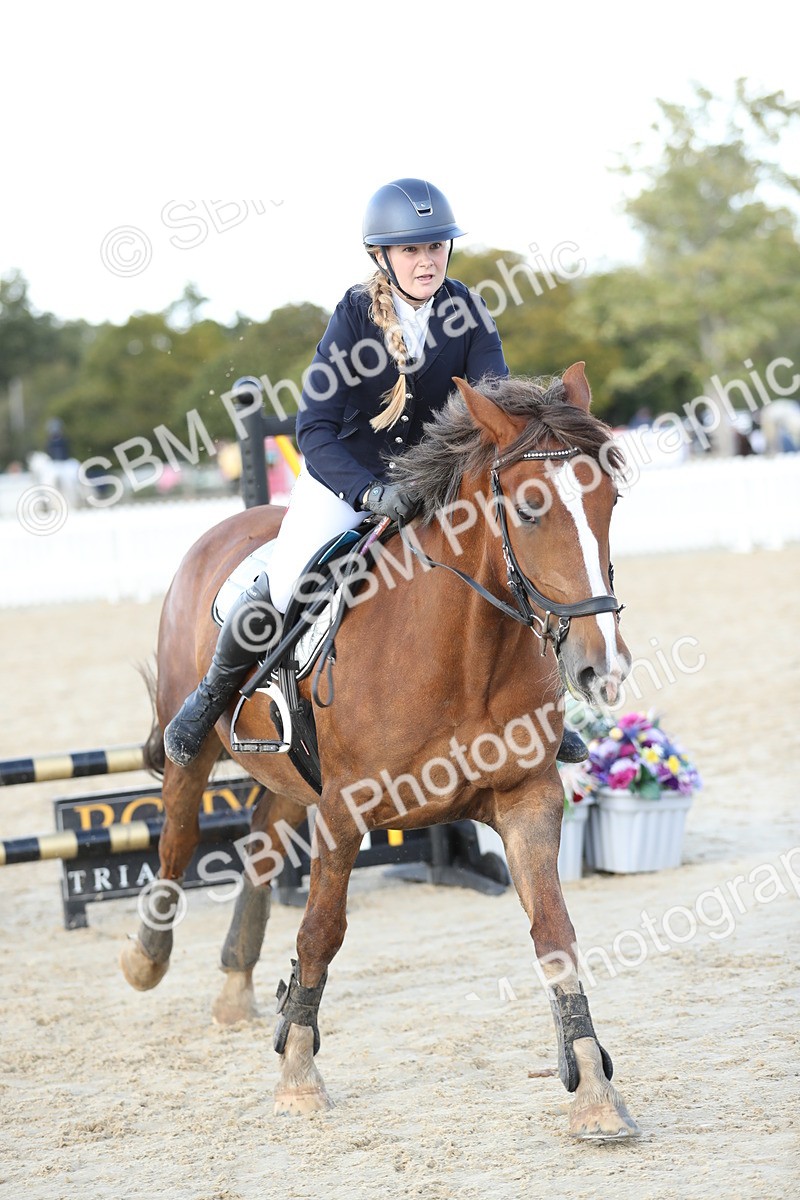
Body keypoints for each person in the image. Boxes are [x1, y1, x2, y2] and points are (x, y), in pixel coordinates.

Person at [164, 178, 585, 768]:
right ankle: (210, 696)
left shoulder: (467, 310)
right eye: (411, 250)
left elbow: (491, 403)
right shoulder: (355, 316)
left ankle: (531, 701)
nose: (427, 260)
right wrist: (368, 490)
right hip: (349, 483)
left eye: (436, 247)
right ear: (382, 256)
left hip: (438, 486)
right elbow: (314, 429)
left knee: (514, 557)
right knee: (289, 582)